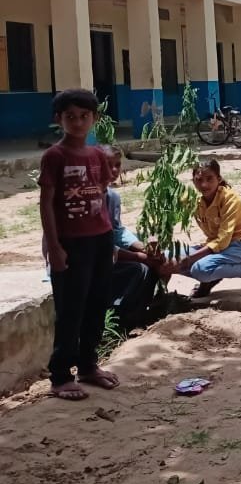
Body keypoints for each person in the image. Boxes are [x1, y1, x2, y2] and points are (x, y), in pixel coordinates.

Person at [39, 89, 118, 400]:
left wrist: (110, 239)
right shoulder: (55, 156)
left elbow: (101, 193)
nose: (78, 122)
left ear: (94, 118)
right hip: (71, 243)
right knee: (71, 309)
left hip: (101, 240)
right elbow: (46, 203)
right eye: (70, 116)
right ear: (58, 119)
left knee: (97, 304)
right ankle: (60, 376)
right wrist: (54, 246)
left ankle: (88, 365)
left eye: (84, 116)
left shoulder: (97, 155)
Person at [167, 159, 241, 298]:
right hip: (214, 246)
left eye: (209, 179)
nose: (204, 185)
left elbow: (223, 240)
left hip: (239, 246)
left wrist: (190, 259)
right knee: (167, 256)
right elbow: (169, 209)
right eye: (199, 180)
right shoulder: (194, 200)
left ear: (218, 179)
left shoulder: (230, 198)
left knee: (200, 269)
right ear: (193, 181)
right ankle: (211, 277)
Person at [102, 145, 164, 330]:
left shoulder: (112, 197)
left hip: (107, 251)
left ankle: (140, 315)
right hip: (91, 257)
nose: (114, 170)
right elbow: (100, 243)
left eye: (117, 165)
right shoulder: (88, 197)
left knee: (154, 263)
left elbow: (116, 231)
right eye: (108, 165)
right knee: (139, 269)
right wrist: (140, 256)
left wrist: (144, 247)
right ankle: (119, 318)